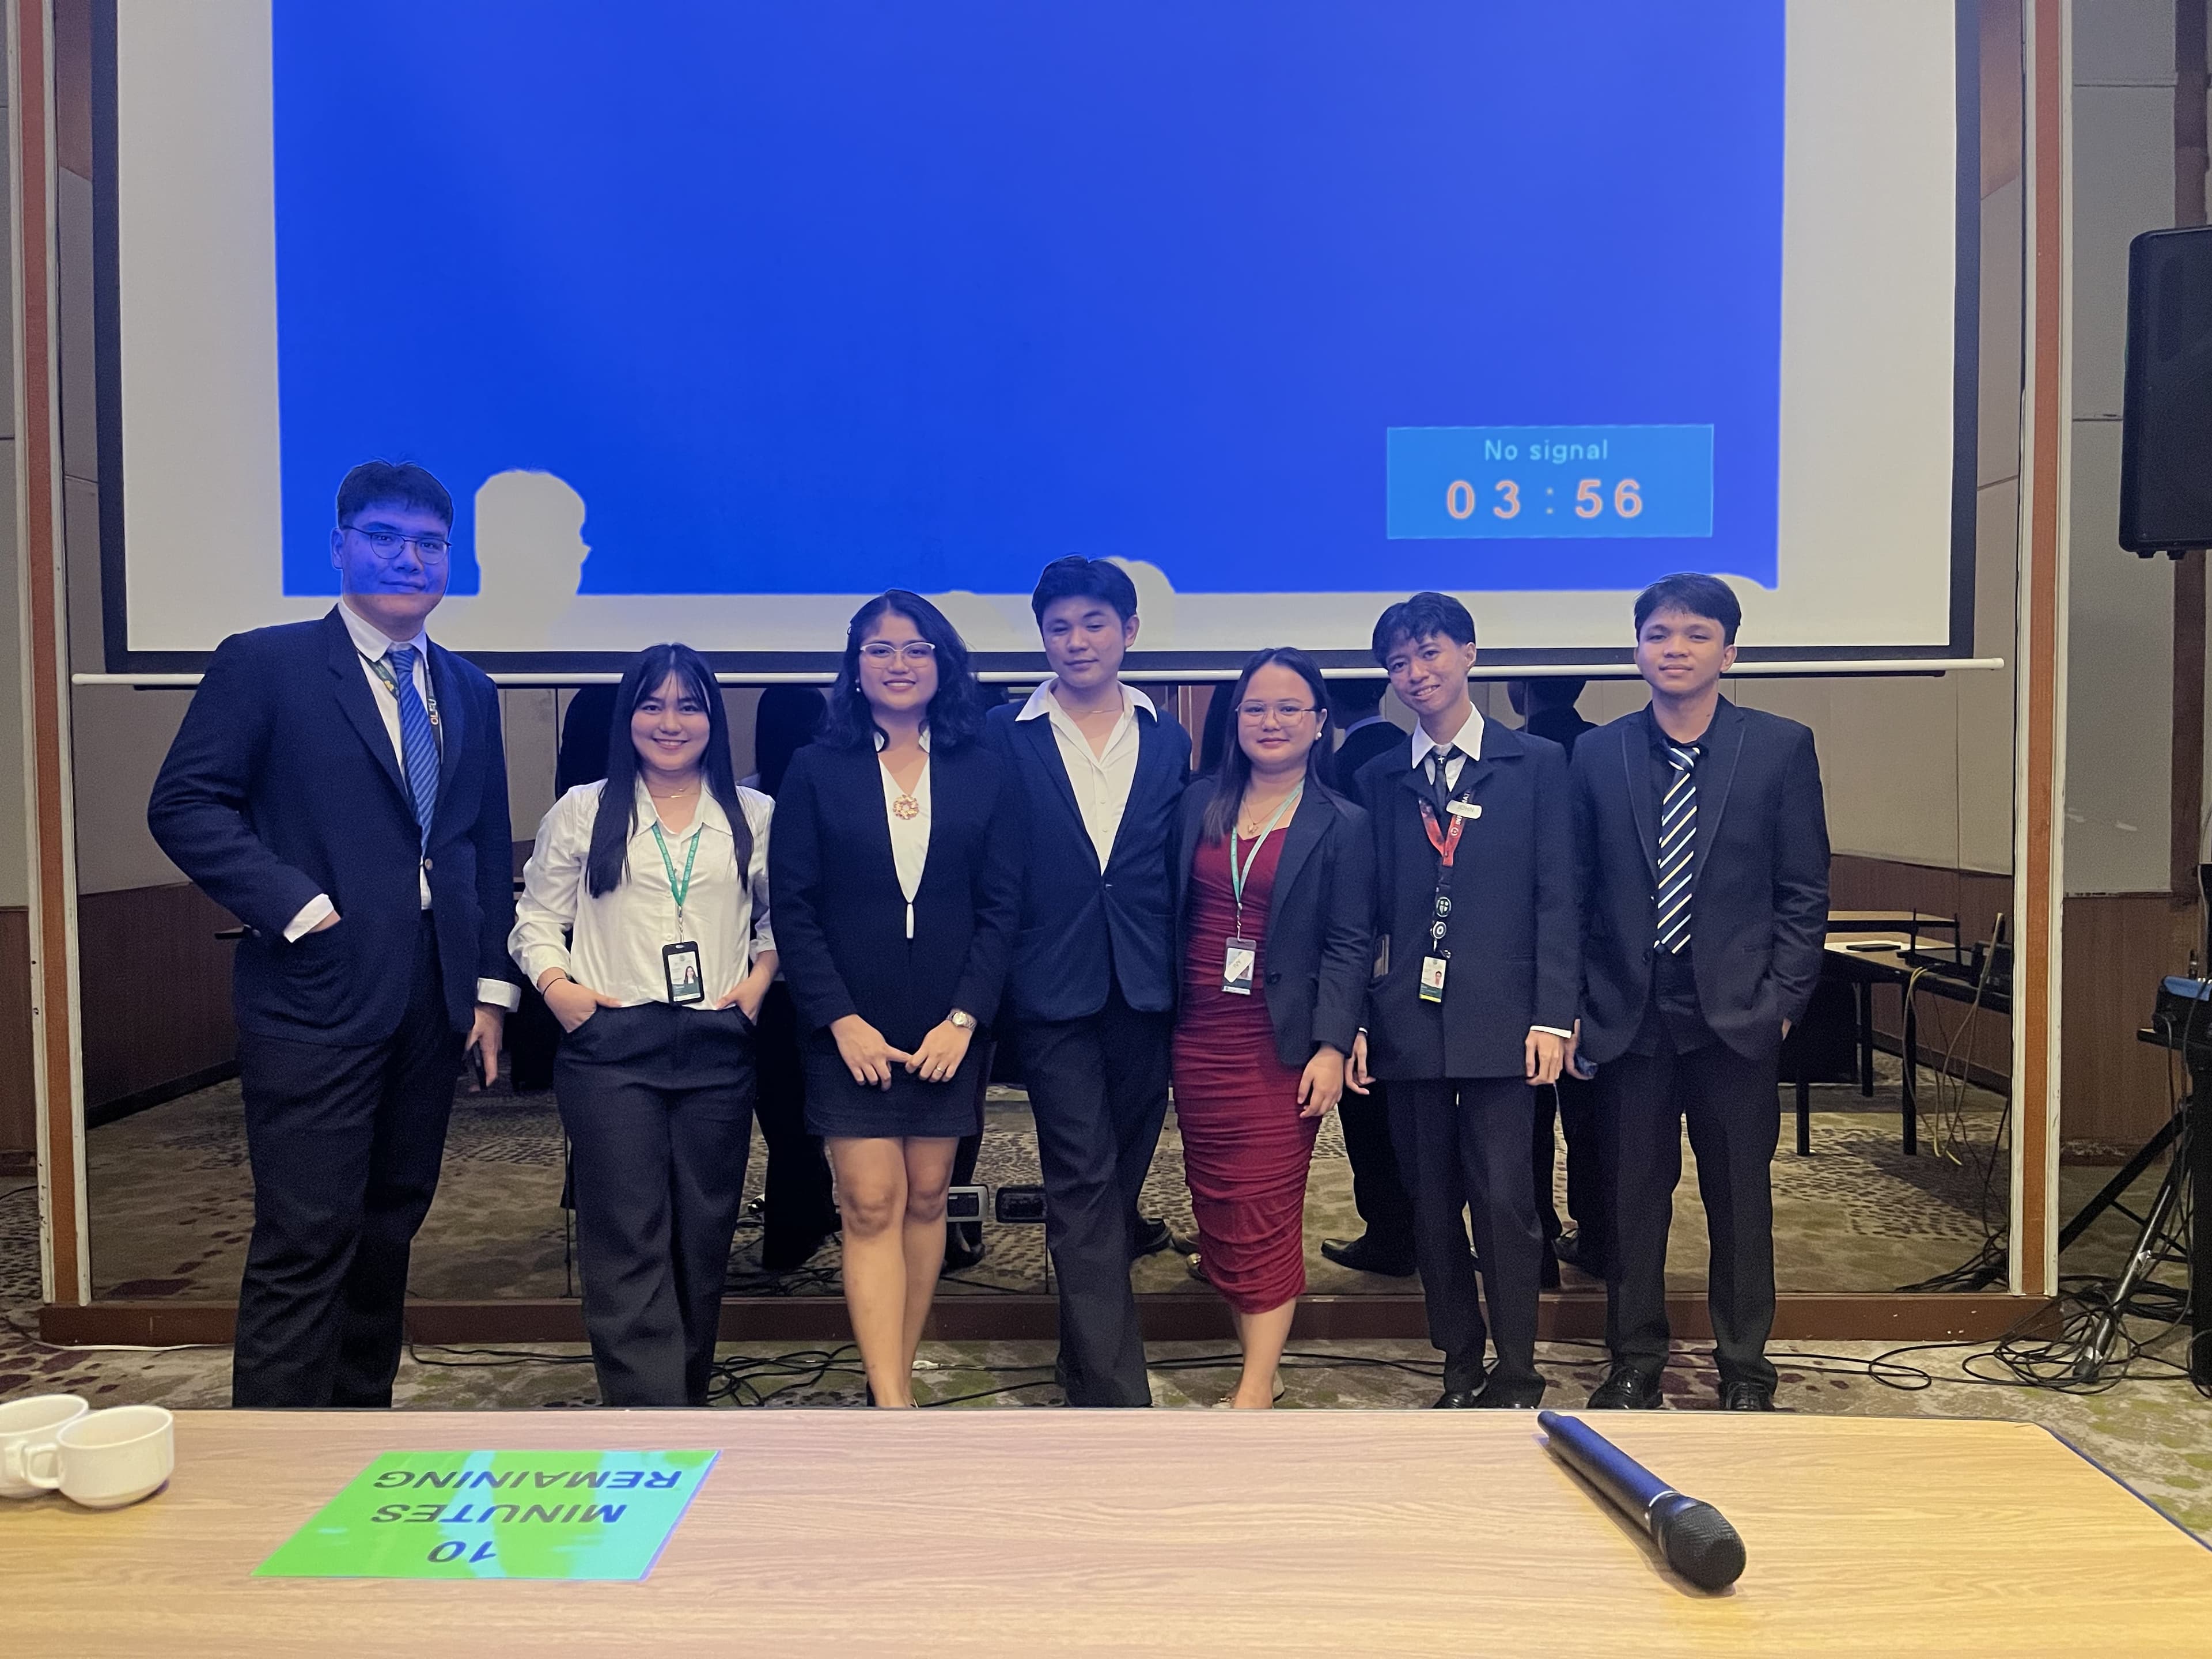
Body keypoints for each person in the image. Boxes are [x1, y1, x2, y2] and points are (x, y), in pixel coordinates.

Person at [147, 460, 520, 1408]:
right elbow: (185, 804)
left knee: (391, 1226)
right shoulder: (264, 665)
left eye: (430, 544)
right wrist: (297, 905)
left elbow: (480, 846)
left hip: (432, 1002)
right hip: (314, 996)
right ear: (340, 547)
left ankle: (359, 1432)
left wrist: (487, 991)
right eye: (385, 538)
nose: (409, 559)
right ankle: (276, 1460)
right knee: (306, 1236)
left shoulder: (469, 689)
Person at [1573, 574, 1828, 1412]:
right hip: (1630, 1014)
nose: (1674, 649)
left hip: (1737, 1015)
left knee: (1740, 1204)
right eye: (1658, 634)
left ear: (1730, 651)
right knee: (1630, 1204)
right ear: (1636, 649)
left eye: (1694, 634)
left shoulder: (1780, 747)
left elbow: (1803, 889)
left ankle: (1746, 1369)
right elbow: (1575, 890)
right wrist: (1579, 1003)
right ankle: (1634, 1361)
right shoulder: (1598, 753)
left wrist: (1782, 1002)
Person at [770, 592, 1022, 1406]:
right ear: (855, 668)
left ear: (944, 664)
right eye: (879, 650)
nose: (899, 664)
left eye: (917, 649)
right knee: (870, 1202)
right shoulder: (815, 768)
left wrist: (966, 1019)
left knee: (926, 1196)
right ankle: (890, 1401)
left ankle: (901, 1374)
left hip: (949, 1026)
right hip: (849, 1026)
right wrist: (839, 1020)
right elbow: (794, 909)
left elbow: (1002, 906)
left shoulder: (983, 766)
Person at [510, 643, 775, 1406]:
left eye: (689, 705)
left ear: (713, 720)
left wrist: (759, 980)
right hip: (611, 1048)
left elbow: (781, 919)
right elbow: (536, 918)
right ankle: (647, 1414)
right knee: (628, 1232)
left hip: (717, 1043)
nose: (670, 722)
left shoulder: (754, 814)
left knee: (703, 1232)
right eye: (652, 705)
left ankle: (683, 1399)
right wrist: (559, 990)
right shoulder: (583, 809)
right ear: (628, 717)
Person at [1348, 593, 1576, 1410]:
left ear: (1470, 654)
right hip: (1408, 1024)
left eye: (1431, 653)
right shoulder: (1379, 779)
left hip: (1507, 1023)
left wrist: (1553, 1014)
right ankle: (1458, 1361)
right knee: (1431, 1207)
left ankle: (1517, 1370)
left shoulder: (1536, 763)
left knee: (1508, 1204)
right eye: (1399, 663)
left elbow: (1559, 897)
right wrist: (1357, 1021)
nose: (1416, 673)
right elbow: (1360, 915)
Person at [984, 556, 1189, 1407]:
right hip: (1050, 986)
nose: (1077, 641)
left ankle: (1082, 1358)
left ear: (1128, 632)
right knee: (1081, 1178)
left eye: (1094, 624)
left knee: (1119, 1182)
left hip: (1145, 985)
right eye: (1060, 627)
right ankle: (1113, 1392)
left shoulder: (1168, 738)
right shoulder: (1003, 734)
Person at [1172, 648, 1372, 1407]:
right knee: (1218, 1203)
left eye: (1291, 708)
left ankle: (1254, 1387)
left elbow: (1350, 943)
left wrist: (1332, 1042)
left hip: (1278, 1043)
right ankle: (1265, 1363)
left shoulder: (1342, 824)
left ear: (1320, 723)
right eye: (1256, 707)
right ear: (1235, 720)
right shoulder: (1198, 804)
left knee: (1265, 1205)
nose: (1272, 721)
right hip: (1197, 1035)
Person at [1316, 675, 1417, 1278]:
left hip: (1365, 961)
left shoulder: (1338, 767)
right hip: (1415, 960)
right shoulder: (1406, 748)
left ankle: (1389, 1234)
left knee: (1368, 1110)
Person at [1508, 677, 1603, 1286]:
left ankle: (1537, 1246)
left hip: (1526, 964)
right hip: (1601, 967)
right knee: (1595, 1116)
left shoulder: (1512, 756)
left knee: (1528, 1118)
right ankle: (1599, 1237)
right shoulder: (1605, 749)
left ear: (1519, 689)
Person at [745, 686, 842, 1273]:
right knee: (821, 1107)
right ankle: (806, 1218)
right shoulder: (829, 790)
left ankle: (793, 1229)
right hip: (825, 974)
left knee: (783, 1114)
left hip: (763, 980)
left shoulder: (743, 796)